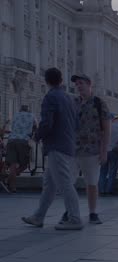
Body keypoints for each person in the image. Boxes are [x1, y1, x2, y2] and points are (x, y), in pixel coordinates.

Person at [21, 68, 83, 230]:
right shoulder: (69, 98)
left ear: (46, 81)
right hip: (68, 145)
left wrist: (37, 136)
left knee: (64, 183)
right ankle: (38, 217)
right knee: (50, 184)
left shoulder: (51, 97)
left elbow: (47, 122)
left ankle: (75, 218)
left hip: (56, 146)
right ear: (61, 80)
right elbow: (77, 124)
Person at [68, 73, 110, 225]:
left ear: (89, 84)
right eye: (77, 84)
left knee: (92, 183)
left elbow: (106, 128)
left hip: (92, 150)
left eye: (81, 83)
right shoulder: (74, 103)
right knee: (69, 182)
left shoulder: (99, 103)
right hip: (73, 149)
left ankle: (93, 213)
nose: (78, 86)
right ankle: (70, 211)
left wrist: (104, 150)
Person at [5, 105, 37, 193]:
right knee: (25, 165)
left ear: (20, 109)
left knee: (12, 164)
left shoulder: (15, 115)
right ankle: (9, 179)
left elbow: (12, 126)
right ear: (28, 110)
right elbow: (36, 127)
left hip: (11, 140)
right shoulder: (32, 116)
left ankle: (12, 186)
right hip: (23, 141)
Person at [99, 114, 118, 195]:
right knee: (112, 171)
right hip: (114, 151)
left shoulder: (105, 128)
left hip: (105, 151)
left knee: (103, 171)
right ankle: (109, 190)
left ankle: (101, 190)